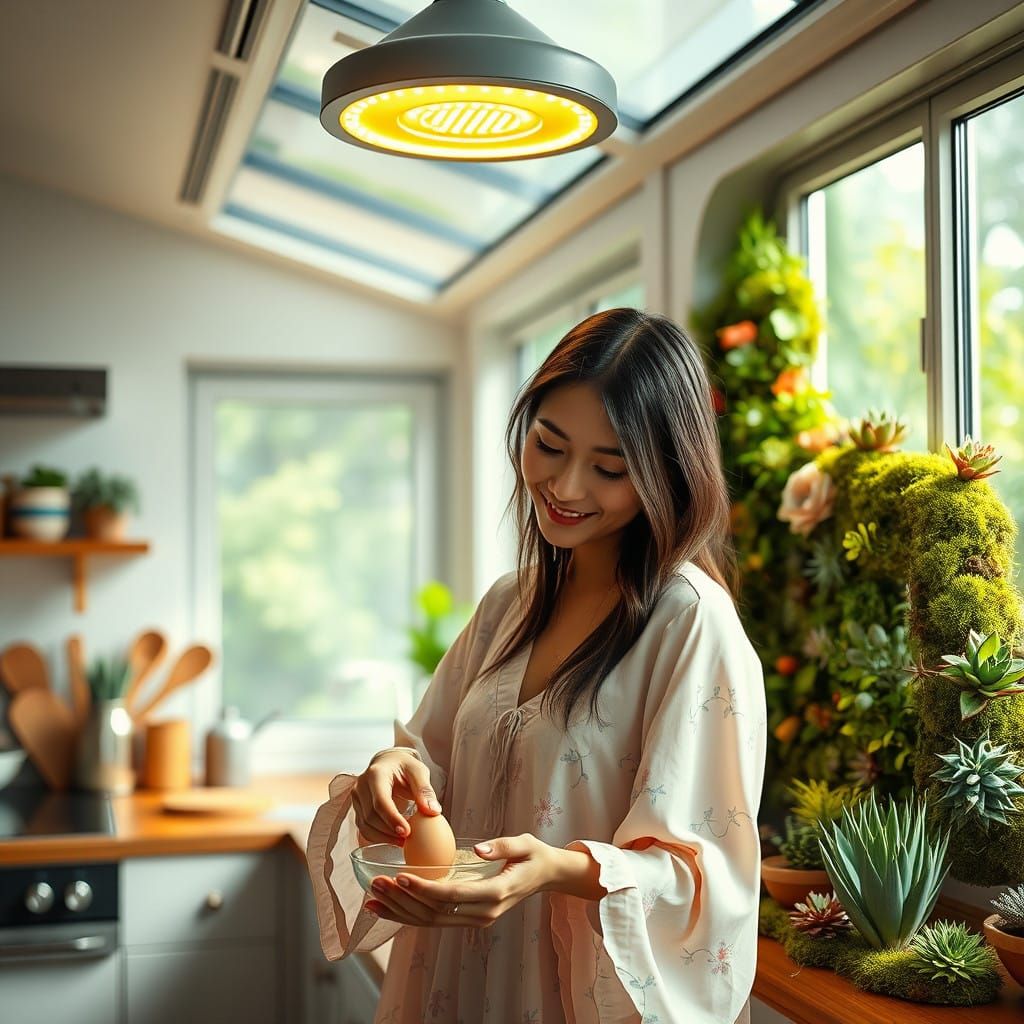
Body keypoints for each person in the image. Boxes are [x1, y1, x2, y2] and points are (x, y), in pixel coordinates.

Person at [307, 307, 767, 1024]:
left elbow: (705, 877)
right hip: (450, 982)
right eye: (549, 446)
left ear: (666, 474)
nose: (566, 486)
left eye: (609, 468)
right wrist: (394, 775)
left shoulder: (689, 623)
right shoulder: (507, 606)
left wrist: (555, 870)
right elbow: (427, 757)